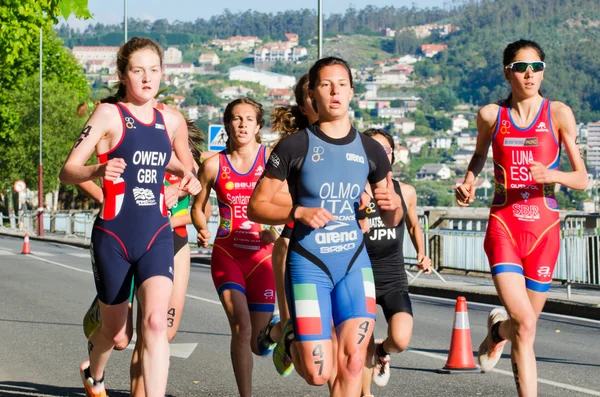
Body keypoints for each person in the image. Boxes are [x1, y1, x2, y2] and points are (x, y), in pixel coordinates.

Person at [247, 57, 403, 397]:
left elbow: (391, 216)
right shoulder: (295, 146)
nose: (334, 91)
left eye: (341, 84)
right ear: (313, 94)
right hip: (309, 266)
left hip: (354, 265)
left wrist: (394, 208)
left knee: (352, 361)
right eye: (325, 84)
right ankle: (288, 335)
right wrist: (298, 211)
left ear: (351, 91)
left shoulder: (371, 149)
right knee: (319, 373)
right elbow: (256, 205)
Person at [59, 36, 200, 397]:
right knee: (118, 335)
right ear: (123, 75)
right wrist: (96, 172)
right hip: (114, 236)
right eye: (138, 70)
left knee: (155, 322)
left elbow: (190, 170)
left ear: (162, 73)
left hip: (156, 234)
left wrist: (184, 185)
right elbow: (68, 171)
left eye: (154, 70)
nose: (147, 78)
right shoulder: (108, 114)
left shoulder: (171, 119)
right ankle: (95, 372)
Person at [456, 39, 587, 397]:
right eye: (521, 67)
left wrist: (553, 176)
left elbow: (582, 178)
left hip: (544, 233)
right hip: (504, 229)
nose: (530, 74)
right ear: (507, 72)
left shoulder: (558, 114)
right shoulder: (490, 115)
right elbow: (479, 155)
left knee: (524, 328)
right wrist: (469, 182)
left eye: (537, 66)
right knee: (526, 323)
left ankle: (498, 331)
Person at [190, 97, 282, 397]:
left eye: (248, 119)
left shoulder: (272, 160)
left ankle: (278, 329)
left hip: (262, 256)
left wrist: (276, 231)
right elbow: (198, 207)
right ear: (227, 124)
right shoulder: (214, 164)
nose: (242, 124)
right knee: (240, 328)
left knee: (257, 345)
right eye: (236, 119)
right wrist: (202, 227)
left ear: (258, 125)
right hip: (228, 254)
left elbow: (288, 203)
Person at [358, 129, 431, 397]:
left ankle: (383, 350)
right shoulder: (353, 190)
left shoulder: (405, 191)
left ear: (392, 154)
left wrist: (422, 252)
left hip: (392, 277)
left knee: (400, 340)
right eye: (371, 149)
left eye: (384, 150)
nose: (378, 155)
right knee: (362, 337)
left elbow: (413, 225)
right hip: (360, 274)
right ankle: (365, 393)